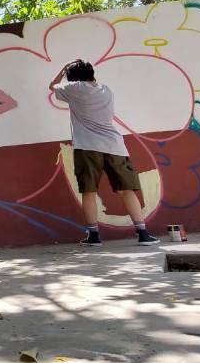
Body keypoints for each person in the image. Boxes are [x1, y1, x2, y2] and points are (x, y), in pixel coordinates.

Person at [49, 59, 160, 246]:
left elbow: (52, 86)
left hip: (87, 147)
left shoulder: (74, 89)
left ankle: (94, 236)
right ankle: (143, 233)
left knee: (89, 191)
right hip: (115, 145)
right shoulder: (106, 90)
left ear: (73, 78)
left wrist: (62, 70)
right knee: (127, 190)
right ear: (92, 74)